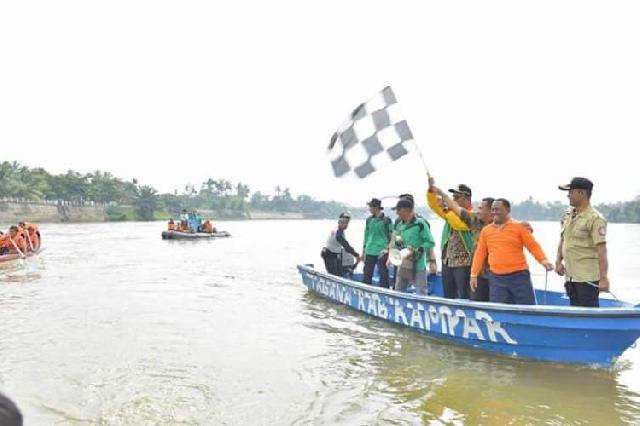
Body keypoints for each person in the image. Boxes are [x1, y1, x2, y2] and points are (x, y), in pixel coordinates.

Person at [470, 199, 554, 305]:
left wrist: (543, 260)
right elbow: (480, 253)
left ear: (508, 210)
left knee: (526, 307)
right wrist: (473, 274)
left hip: (519, 276)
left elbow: (532, 246)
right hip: (497, 278)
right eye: (493, 210)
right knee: (498, 309)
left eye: (498, 209)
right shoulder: (486, 231)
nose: (494, 212)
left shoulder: (519, 227)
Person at [555, 177, 609, 307]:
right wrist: (558, 262)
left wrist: (603, 278)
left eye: (571, 192)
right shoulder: (568, 215)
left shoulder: (595, 219)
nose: (568, 196)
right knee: (574, 310)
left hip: (587, 279)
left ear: (582, 193)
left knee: (589, 313)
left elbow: (602, 251)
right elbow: (563, 240)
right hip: (570, 277)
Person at [427, 180, 477, 299]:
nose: (453, 200)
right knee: (448, 295)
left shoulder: (473, 215)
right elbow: (433, 205)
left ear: (466, 198)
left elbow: (458, 224)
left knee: (464, 295)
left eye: (457, 197)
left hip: (464, 263)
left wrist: (446, 209)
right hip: (447, 261)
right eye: (453, 197)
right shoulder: (450, 213)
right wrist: (430, 190)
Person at [389, 197, 436, 295]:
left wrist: (417, 250)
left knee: (421, 292)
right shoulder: (399, 226)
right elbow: (398, 242)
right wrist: (395, 252)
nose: (397, 213)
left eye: (399, 210)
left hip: (418, 265)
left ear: (407, 210)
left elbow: (430, 242)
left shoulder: (420, 224)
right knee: (398, 292)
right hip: (403, 264)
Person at [361, 198, 393, 288]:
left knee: (383, 275)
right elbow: (366, 236)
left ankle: (385, 292)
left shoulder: (387, 221)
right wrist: (363, 251)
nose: (369, 209)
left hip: (382, 251)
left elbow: (392, 237)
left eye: (370, 207)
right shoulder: (369, 220)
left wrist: (389, 250)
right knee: (367, 274)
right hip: (370, 250)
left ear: (376, 208)